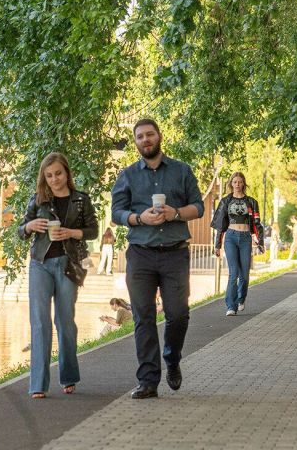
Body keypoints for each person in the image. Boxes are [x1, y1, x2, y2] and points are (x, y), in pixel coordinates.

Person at [111, 118, 204, 399]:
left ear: (159, 136)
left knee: (178, 315)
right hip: (140, 255)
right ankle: (148, 381)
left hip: (174, 253)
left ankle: (172, 357)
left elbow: (198, 207)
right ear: (136, 142)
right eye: (140, 137)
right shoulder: (127, 175)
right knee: (144, 318)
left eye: (149, 134)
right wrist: (139, 218)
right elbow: (117, 212)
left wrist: (174, 213)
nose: (145, 140)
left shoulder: (181, 170)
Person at [17, 152, 98, 398]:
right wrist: (30, 227)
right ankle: (38, 384)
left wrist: (72, 232)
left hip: (68, 265)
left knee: (65, 322)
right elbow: (21, 230)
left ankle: (69, 376)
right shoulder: (38, 200)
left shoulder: (81, 200)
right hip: (40, 265)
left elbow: (93, 230)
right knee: (39, 323)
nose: (54, 179)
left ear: (67, 173)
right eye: (49, 175)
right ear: (44, 177)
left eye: (58, 174)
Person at [211, 172, 265, 316]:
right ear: (231, 184)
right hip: (231, 237)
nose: (237, 185)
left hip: (246, 238)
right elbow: (220, 225)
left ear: (244, 183)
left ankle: (241, 299)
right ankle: (230, 306)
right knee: (233, 273)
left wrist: (261, 242)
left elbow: (257, 224)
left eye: (240, 182)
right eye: (235, 182)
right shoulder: (225, 201)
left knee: (244, 274)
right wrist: (217, 245)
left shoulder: (252, 202)